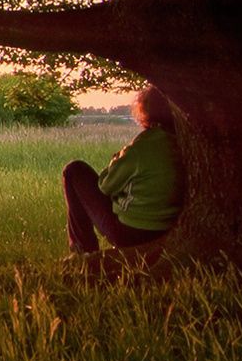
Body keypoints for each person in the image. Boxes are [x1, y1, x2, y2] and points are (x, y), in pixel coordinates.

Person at [62, 85, 180, 253]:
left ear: (144, 110)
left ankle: (82, 250)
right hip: (166, 228)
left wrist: (116, 158)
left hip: (129, 233)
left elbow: (105, 186)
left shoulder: (141, 147)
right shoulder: (182, 143)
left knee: (74, 170)